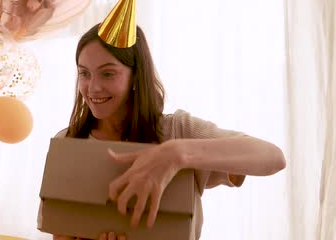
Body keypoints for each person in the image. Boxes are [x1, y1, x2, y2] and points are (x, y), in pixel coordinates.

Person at [47, 23, 286, 240]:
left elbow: (273, 157)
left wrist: (176, 153)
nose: (93, 87)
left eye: (108, 73)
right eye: (84, 73)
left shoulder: (176, 131)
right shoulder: (68, 141)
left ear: (135, 76)